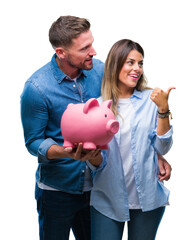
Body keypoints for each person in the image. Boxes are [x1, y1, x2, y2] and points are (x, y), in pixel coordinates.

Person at [20, 16, 172, 240]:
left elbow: (132, 114)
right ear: (62, 52)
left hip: (97, 190)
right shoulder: (37, 88)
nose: (94, 51)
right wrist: (66, 152)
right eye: (85, 48)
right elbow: (33, 142)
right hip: (58, 189)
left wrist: (154, 153)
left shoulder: (100, 71)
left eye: (91, 43)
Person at [90, 39, 175, 240]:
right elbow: (97, 163)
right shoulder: (99, 106)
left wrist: (163, 109)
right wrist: (91, 156)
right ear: (116, 65)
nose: (137, 69)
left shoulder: (152, 100)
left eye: (140, 63)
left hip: (147, 199)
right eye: (130, 62)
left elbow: (163, 145)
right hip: (107, 200)